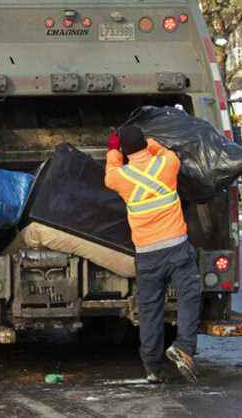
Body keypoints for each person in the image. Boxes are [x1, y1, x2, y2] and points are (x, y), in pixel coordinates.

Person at [104, 126, 201, 384]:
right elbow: (166, 151)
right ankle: (183, 347)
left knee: (150, 311)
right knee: (188, 298)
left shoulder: (120, 178)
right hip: (177, 249)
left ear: (125, 151)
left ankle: (152, 367)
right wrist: (151, 141)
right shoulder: (167, 165)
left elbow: (110, 172)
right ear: (145, 145)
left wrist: (114, 149)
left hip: (147, 255)